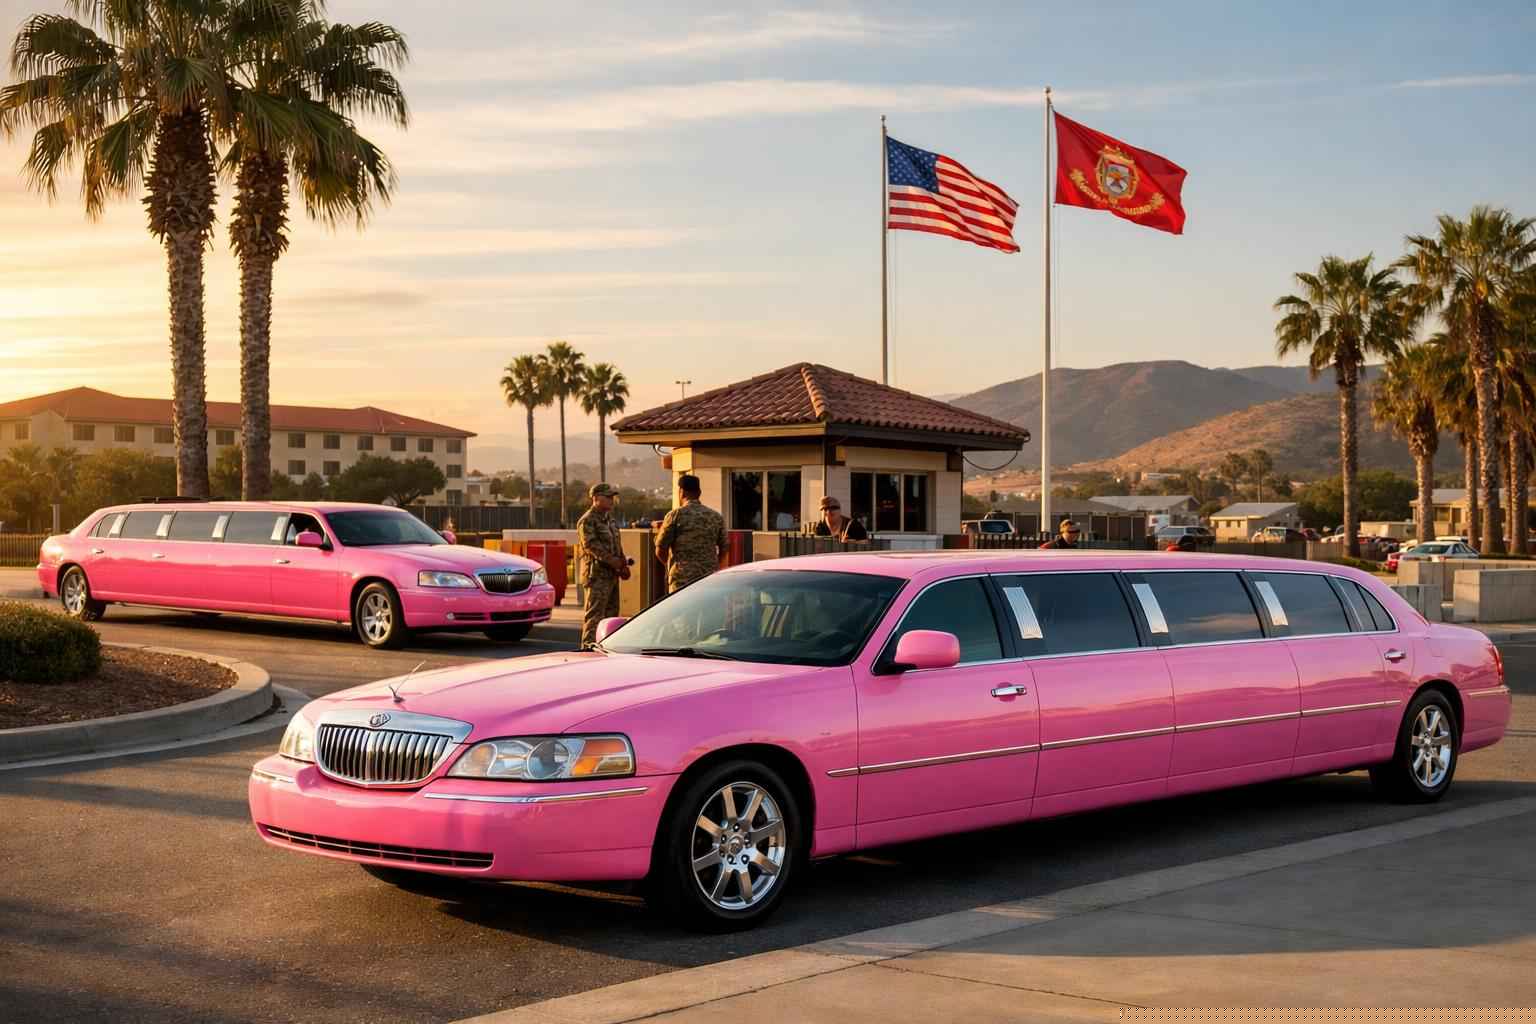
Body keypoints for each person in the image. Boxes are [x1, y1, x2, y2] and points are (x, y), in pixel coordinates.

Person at [576, 482, 629, 649]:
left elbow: (617, 544)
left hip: (612, 575)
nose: (612, 500)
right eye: (608, 497)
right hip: (597, 576)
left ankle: (606, 649)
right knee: (595, 617)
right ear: (596, 498)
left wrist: (622, 564)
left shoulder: (610, 520)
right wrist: (614, 562)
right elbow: (591, 547)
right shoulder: (587, 521)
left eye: (613, 497)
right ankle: (588, 650)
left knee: (611, 618)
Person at [655, 474, 728, 593]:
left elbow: (660, 550)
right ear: (699, 493)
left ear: (681, 492)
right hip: (708, 580)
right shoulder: (716, 517)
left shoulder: (675, 515)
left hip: (682, 582)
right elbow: (724, 550)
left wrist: (674, 567)